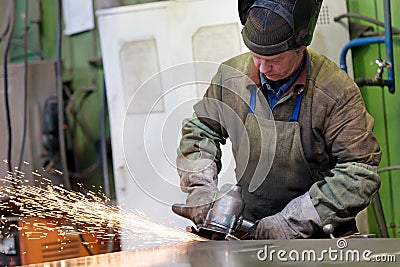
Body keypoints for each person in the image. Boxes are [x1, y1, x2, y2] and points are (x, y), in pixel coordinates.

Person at [172, 0, 382, 239]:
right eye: (255, 57)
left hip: (318, 237)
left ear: (300, 49)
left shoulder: (335, 91)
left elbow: (359, 171)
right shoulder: (232, 78)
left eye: (273, 61)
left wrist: (290, 222)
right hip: (250, 231)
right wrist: (200, 188)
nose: (262, 68)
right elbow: (201, 129)